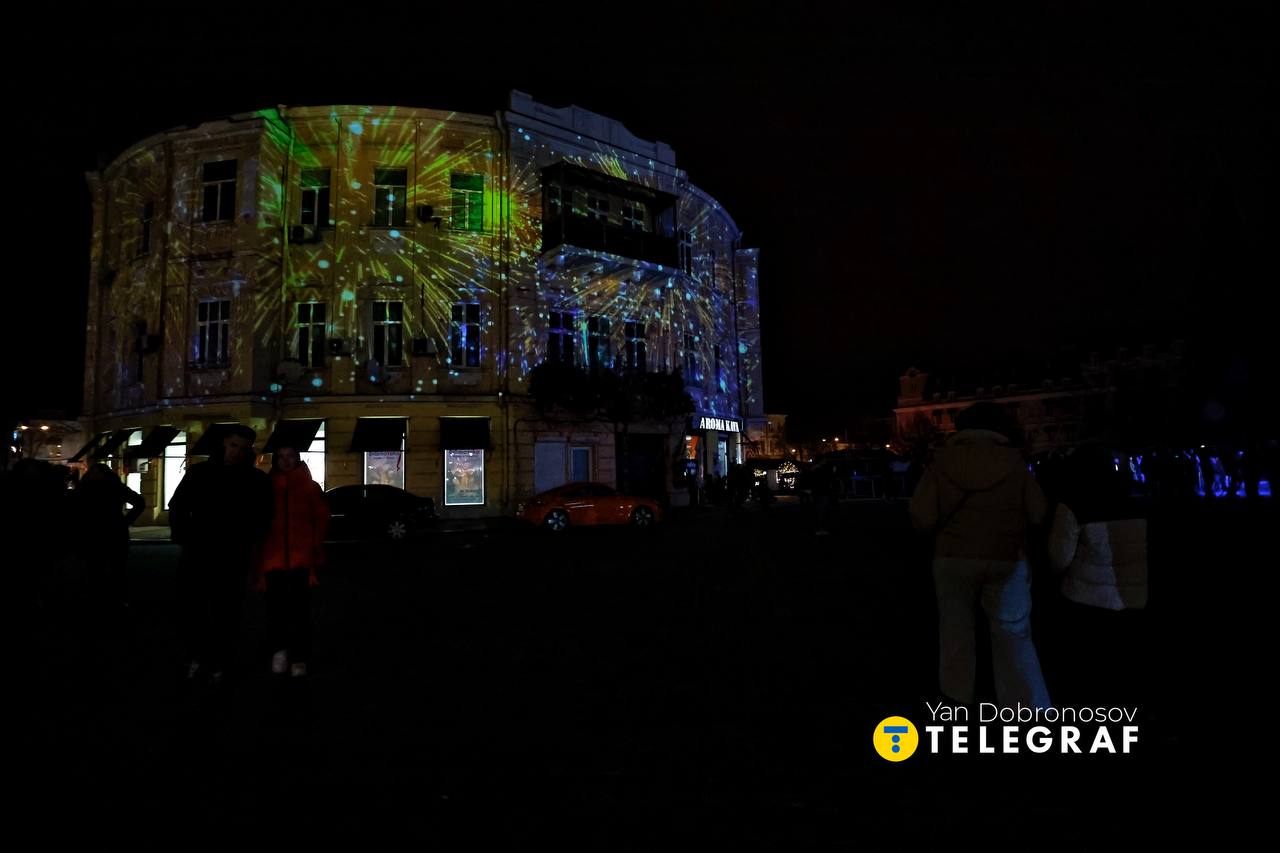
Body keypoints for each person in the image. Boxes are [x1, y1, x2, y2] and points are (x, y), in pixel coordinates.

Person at [909, 402, 1051, 709]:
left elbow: (922, 518)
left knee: (955, 631)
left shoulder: (941, 462)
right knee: (1012, 632)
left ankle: (957, 696)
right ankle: (1026, 702)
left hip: (953, 557)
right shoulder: (1014, 462)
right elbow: (1038, 513)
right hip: (1006, 556)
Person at [168, 425, 273, 688]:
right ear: (225, 443)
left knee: (226, 614)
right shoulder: (200, 472)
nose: (236, 452)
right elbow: (177, 506)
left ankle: (219, 663)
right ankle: (201, 657)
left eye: (243, 448)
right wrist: (184, 536)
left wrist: (247, 539)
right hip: (199, 553)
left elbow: (264, 517)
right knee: (194, 610)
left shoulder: (255, 479)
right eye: (233, 445)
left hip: (231, 556)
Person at [1046, 443, 1148, 705]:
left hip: (1088, 597)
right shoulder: (1138, 494)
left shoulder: (1073, 503)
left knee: (1094, 670)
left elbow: (1059, 557)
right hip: (1135, 594)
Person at [258, 444, 330, 678]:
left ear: (297, 458)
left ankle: (299, 656)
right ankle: (279, 650)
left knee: (301, 613)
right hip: (273, 560)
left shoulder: (310, 488)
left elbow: (321, 519)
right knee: (275, 611)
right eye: (281, 456)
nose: (286, 460)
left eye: (290, 456)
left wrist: (314, 546)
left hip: (301, 561)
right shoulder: (267, 488)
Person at [73, 463, 145, 606]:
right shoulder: (111, 487)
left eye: (97, 473)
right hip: (108, 532)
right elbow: (139, 502)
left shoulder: (86, 488)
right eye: (94, 473)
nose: (95, 476)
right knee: (104, 568)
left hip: (100, 533)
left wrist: (125, 522)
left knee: (104, 568)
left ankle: (104, 598)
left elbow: (139, 502)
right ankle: (111, 598)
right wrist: (125, 522)